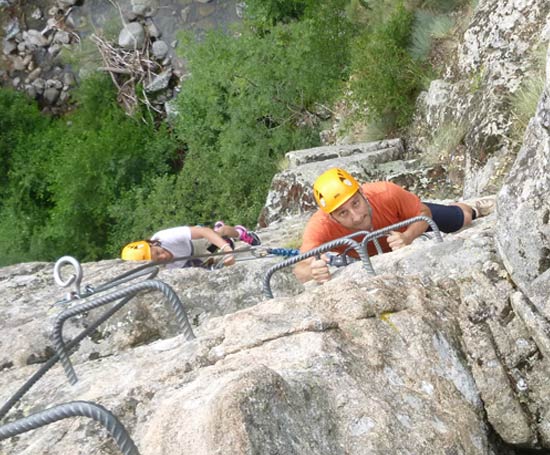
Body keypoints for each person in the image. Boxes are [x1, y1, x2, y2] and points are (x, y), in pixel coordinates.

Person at [294, 167, 495, 284]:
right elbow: (300, 266)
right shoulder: (320, 225)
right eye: (343, 213)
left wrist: (408, 236)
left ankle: (470, 206)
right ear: (332, 217)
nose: (356, 217)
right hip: (373, 252)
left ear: (363, 194)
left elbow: (423, 213)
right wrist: (313, 271)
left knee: (461, 219)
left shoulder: (385, 193)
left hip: (404, 223)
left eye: (355, 203)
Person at [121, 222, 260, 269]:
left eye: (158, 252)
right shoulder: (158, 270)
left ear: (152, 244)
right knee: (214, 258)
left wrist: (226, 249)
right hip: (190, 262)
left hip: (194, 245)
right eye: (158, 260)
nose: (163, 256)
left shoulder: (165, 237)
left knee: (220, 235)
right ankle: (217, 247)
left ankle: (240, 233)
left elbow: (202, 231)